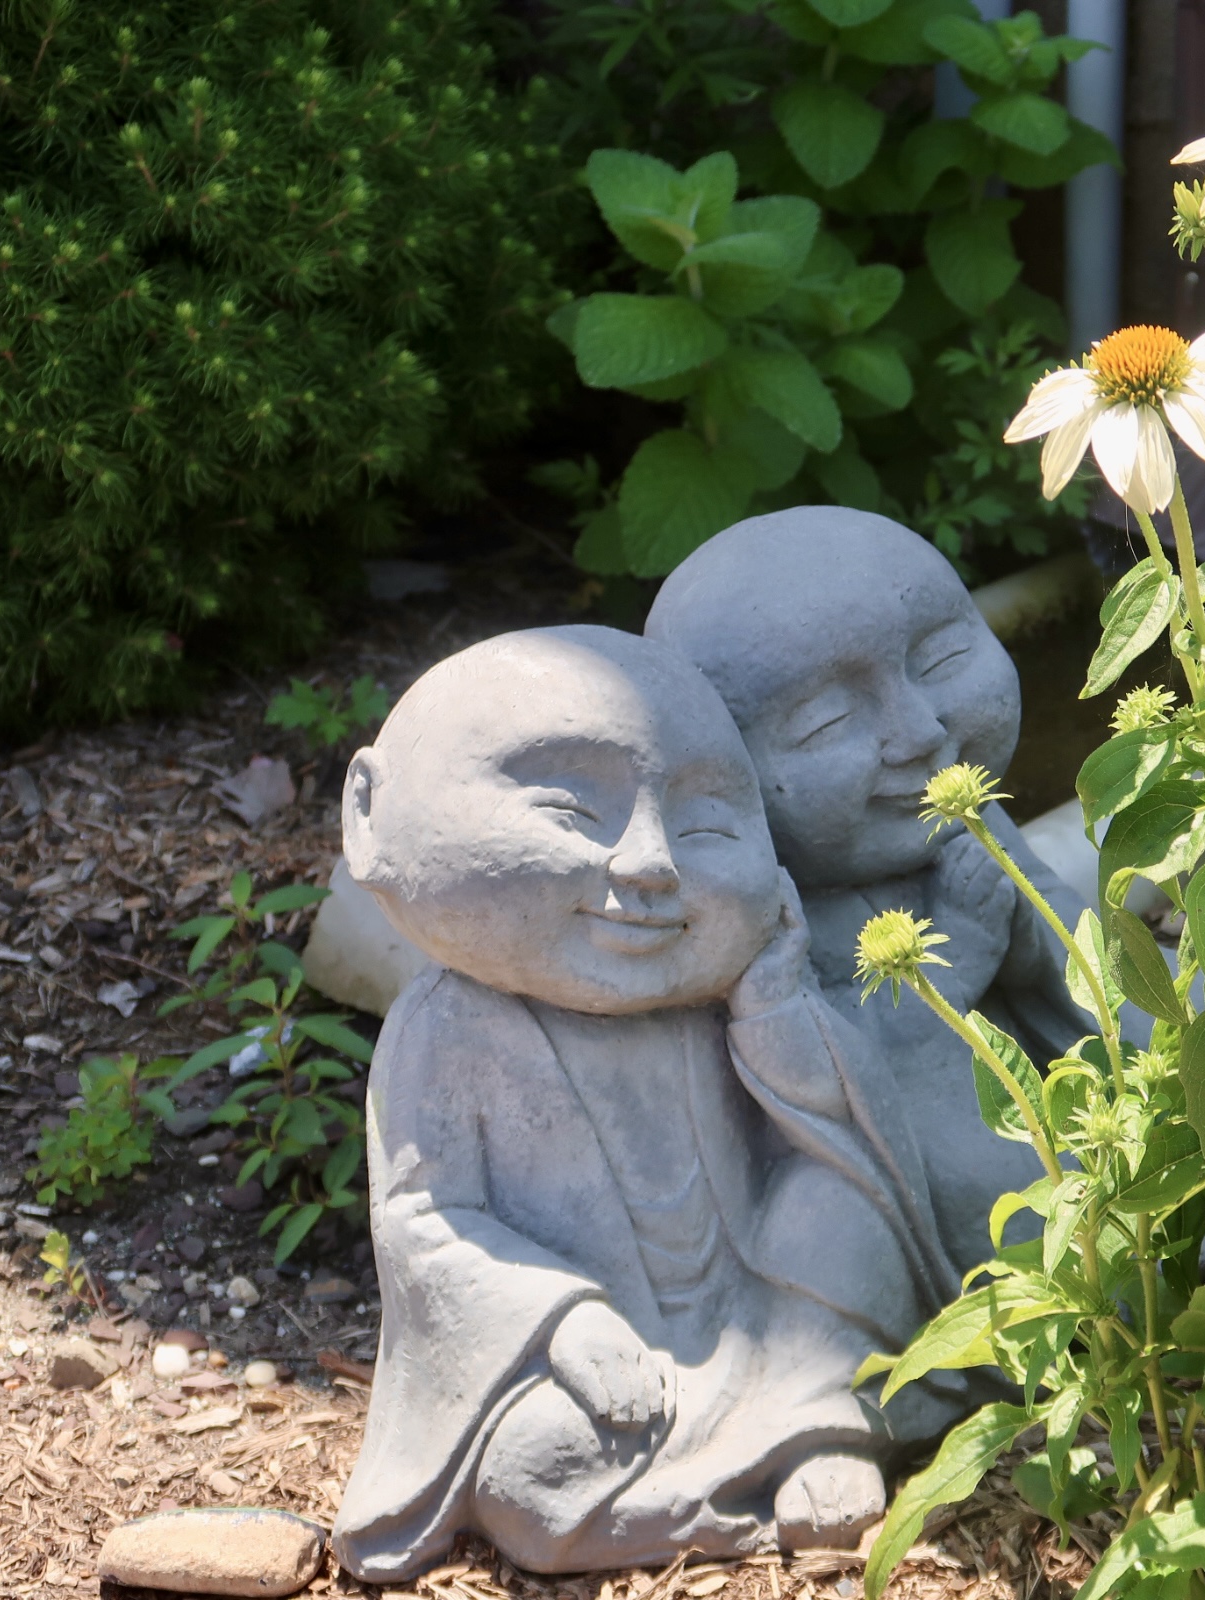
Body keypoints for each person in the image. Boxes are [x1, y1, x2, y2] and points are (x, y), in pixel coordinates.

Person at [330, 626, 958, 1582]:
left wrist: (775, 1009)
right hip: (580, 1349)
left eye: (705, 827)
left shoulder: (720, 994)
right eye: (570, 811)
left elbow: (841, 1132)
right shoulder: (448, 1027)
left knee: (838, 1212)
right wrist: (565, 1324)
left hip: (759, 1311)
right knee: (533, 1470)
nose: (650, 864)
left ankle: (816, 1432)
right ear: (370, 818)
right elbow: (428, 1221)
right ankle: (740, 1469)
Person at [647, 509, 1129, 1272]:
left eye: (939, 662)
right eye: (828, 721)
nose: (920, 731)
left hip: (1059, 1100)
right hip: (933, 1143)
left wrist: (1032, 937)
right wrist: (963, 953)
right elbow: (823, 1079)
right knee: (990, 1182)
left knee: (1176, 1044)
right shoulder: (762, 914)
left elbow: (1084, 967)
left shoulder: (967, 812)